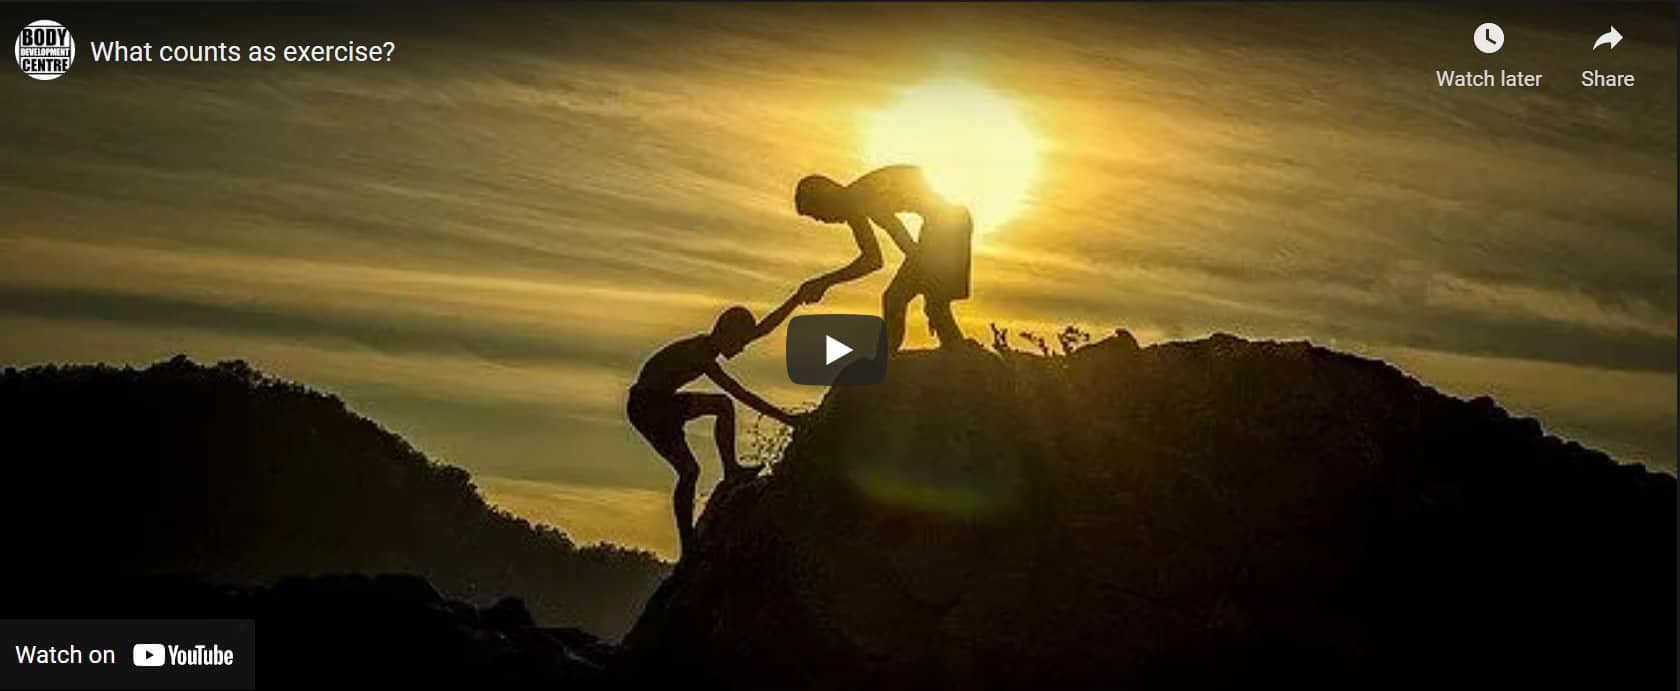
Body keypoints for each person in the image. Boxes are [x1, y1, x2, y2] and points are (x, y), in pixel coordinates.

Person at [628, 292, 807, 558]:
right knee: (702, 446)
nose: (743, 348)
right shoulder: (700, 354)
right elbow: (740, 393)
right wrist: (788, 419)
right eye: (740, 341)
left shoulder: (713, 345)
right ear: (726, 333)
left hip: (660, 402)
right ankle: (727, 477)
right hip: (649, 407)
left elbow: (764, 328)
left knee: (691, 468)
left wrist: (797, 299)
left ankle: (726, 477)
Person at [793, 165, 974, 352]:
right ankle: (892, 355)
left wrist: (927, 280)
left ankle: (896, 356)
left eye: (818, 215)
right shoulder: (855, 207)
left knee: (915, 300)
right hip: (941, 226)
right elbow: (873, 260)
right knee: (903, 299)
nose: (823, 220)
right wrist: (825, 282)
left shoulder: (862, 196)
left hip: (949, 224)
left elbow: (904, 243)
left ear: (827, 199)